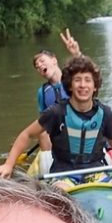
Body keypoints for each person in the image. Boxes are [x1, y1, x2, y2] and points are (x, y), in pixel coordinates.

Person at [0, 55, 112, 189]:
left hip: (96, 171)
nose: (82, 85)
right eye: (77, 80)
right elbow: (26, 134)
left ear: (95, 86)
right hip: (63, 173)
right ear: (70, 85)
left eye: (88, 80)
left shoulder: (104, 112)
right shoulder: (56, 112)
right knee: (60, 190)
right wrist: (8, 164)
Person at [31, 29, 81, 162]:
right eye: (37, 66)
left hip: (80, 129)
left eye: (42, 61)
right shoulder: (43, 92)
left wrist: (76, 54)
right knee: (42, 133)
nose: (40, 66)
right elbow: (43, 121)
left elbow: (86, 70)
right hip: (59, 136)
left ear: (54, 60)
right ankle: (50, 164)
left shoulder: (73, 78)